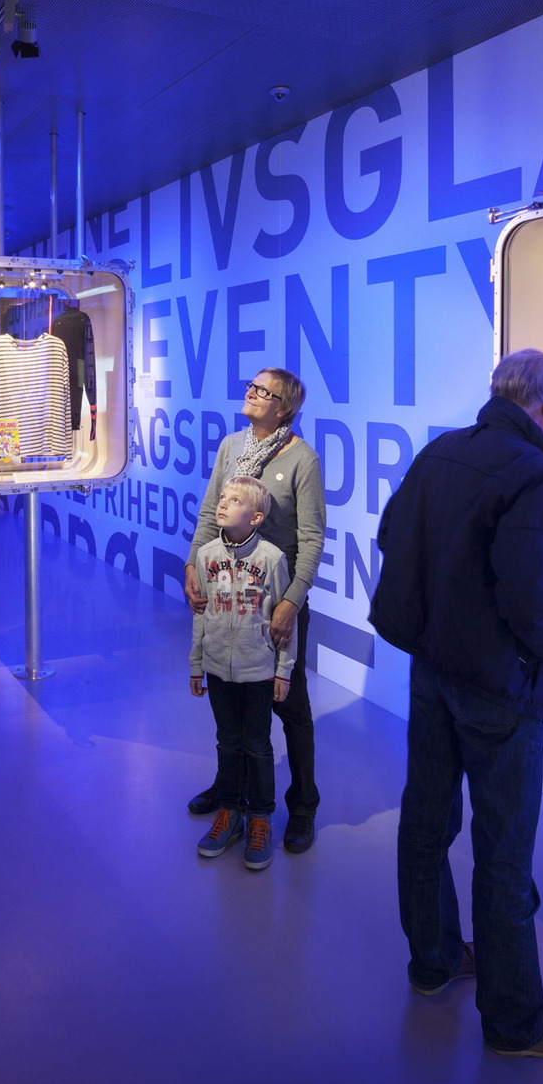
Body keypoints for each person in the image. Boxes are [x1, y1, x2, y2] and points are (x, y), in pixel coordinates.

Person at [369, 349, 543, 1062]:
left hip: (433, 667)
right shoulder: (531, 471)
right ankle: (515, 1024)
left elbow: (391, 536)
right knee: (503, 856)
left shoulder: (444, 450)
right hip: (498, 683)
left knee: (426, 821)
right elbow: (529, 593)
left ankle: (433, 962)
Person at [185, 367, 326, 853]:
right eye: (251, 384)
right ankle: (233, 795)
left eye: (263, 391)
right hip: (225, 591)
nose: (251, 391)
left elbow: (310, 539)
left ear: (284, 407)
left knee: (287, 702)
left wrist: (292, 601)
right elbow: (210, 512)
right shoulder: (231, 447)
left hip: (275, 600)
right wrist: (192, 564)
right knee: (232, 699)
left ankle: (302, 805)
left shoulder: (302, 459)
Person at [189, 475, 294, 872]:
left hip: (257, 671)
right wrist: (197, 663)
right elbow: (201, 613)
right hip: (217, 668)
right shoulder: (206, 554)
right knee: (227, 741)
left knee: (257, 745)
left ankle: (260, 818)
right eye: (223, 497)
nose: (223, 503)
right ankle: (230, 813)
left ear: (255, 517)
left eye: (235, 501)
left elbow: (286, 623)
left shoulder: (271, 558)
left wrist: (282, 670)